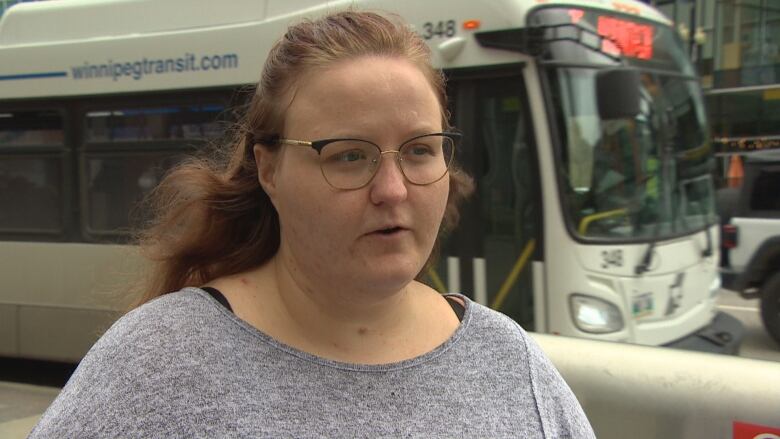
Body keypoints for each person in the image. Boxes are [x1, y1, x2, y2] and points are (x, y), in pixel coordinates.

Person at [30, 10, 595, 438]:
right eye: (349, 155)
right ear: (268, 169)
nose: (393, 190)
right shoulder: (157, 368)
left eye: (420, 150)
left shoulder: (507, 358)